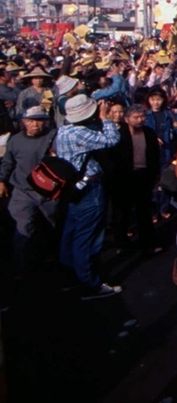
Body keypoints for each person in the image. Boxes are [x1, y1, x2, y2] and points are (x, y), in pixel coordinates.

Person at [54, 94, 122, 299]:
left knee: (71, 232)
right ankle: (90, 283)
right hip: (90, 188)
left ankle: (71, 277)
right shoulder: (80, 133)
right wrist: (105, 117)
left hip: (74, 188)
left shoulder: (65, 129)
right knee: (87, 237)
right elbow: (112, 139)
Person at [0, 106, 59, 275]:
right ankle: (20, 270)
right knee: (22, 230)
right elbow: (8, 163)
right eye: (31, 121)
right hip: (23, 192)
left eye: (39, 121)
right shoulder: (15, 141)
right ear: (23, 122)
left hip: (49, 193)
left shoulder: (54, 137)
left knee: (52, 227)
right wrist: (1, 181)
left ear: (46, 122)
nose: (35, 125)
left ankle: (52, 262)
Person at [108, 104, 162, 255]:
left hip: (144, 176)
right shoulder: (119, 135)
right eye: (136, 117)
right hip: (123, 178)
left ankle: (148, 244)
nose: (140, 120)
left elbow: (154, 156)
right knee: (122, 213)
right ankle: (122, 245)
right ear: (126, 119)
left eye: (142, 116)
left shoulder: (149, 133)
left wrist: (155, 174)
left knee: (144, 211)